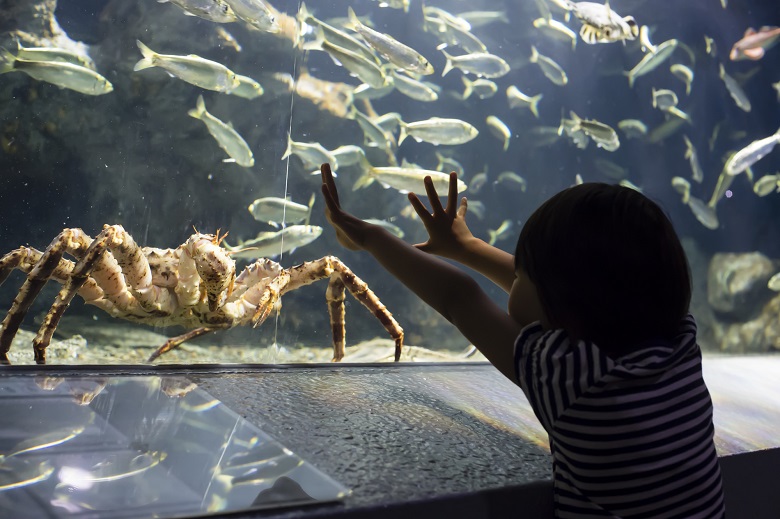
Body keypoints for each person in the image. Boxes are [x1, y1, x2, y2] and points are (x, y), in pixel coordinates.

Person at [319, 163, 725, 518]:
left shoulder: (575, 384)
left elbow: (458, 298)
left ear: (560, 302)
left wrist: (370, 237)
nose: (515, 278)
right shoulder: (679, 343)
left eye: (524, 273)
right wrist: (468, 247)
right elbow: (575, 292)